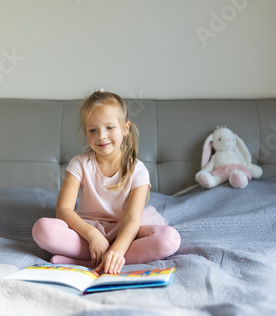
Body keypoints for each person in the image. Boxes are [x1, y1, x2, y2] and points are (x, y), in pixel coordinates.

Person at [32, 90, 181, 274]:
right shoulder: (79, 163)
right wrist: (93, 236)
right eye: (92, 130)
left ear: (125, 128)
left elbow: (132, 219)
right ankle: (102, 256)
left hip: (125, 231)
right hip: (87, 231)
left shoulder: (138, 169)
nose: (101, 136)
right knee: (42, 229)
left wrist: (117, 249)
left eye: (110, 128)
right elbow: (63, 210)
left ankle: (94, 260)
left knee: (170, 239)